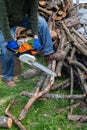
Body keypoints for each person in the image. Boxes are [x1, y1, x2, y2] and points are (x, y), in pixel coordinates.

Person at [0, 0, 65, 87]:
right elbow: (3, 20)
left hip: (18, 19)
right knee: (6, 48)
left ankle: (48, 53)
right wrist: (10, 40)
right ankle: (8, 77)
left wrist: (36, 37)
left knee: (41, 22)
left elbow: (33, 16)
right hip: (2, 23)